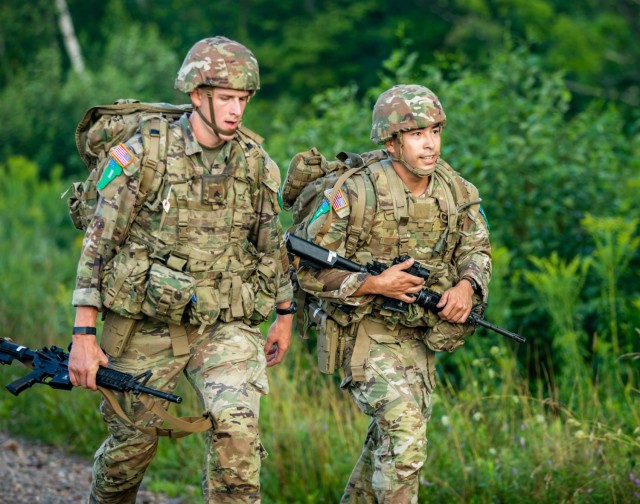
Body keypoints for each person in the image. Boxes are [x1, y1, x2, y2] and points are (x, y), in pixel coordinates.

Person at [68, 36, 295, 504]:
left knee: (238, 434)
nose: (236, 110)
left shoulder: (255, 163)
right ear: (197, 95)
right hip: (145, 324)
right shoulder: (144, 155)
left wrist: (285, 314)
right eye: (226, 98)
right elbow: (98, 245)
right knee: (129, 452)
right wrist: (83, 336)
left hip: (224, 324)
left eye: (243, 99)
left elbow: (273, 247)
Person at [294, 84, 491, 503]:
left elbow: (477, 248)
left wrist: (466, 286)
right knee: (406, 436)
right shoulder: (355, 192)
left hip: (419, 338)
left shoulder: (456, 191)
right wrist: (372, 284)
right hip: (361, 335)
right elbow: (304, 268)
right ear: (390, 141)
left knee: (387, 446)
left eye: (435, 131)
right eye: (417, 133)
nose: (430, 143)